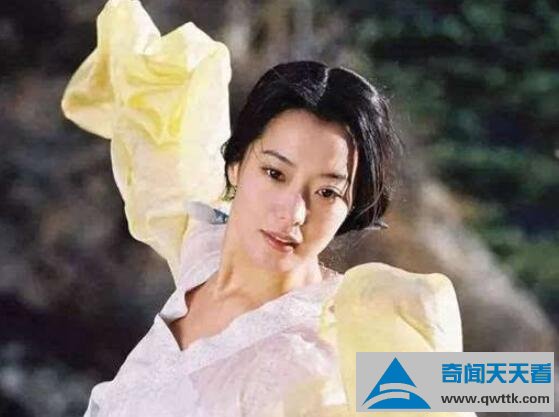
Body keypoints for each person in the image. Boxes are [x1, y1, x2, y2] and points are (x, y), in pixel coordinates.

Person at [61, 1, 473, 416]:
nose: (293, 213)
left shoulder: (310, 361)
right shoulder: (205, 251)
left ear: (351, 207)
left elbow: (483, 390)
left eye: (327, 193)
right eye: (275, 174)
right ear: (235, 166)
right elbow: (166, 143)